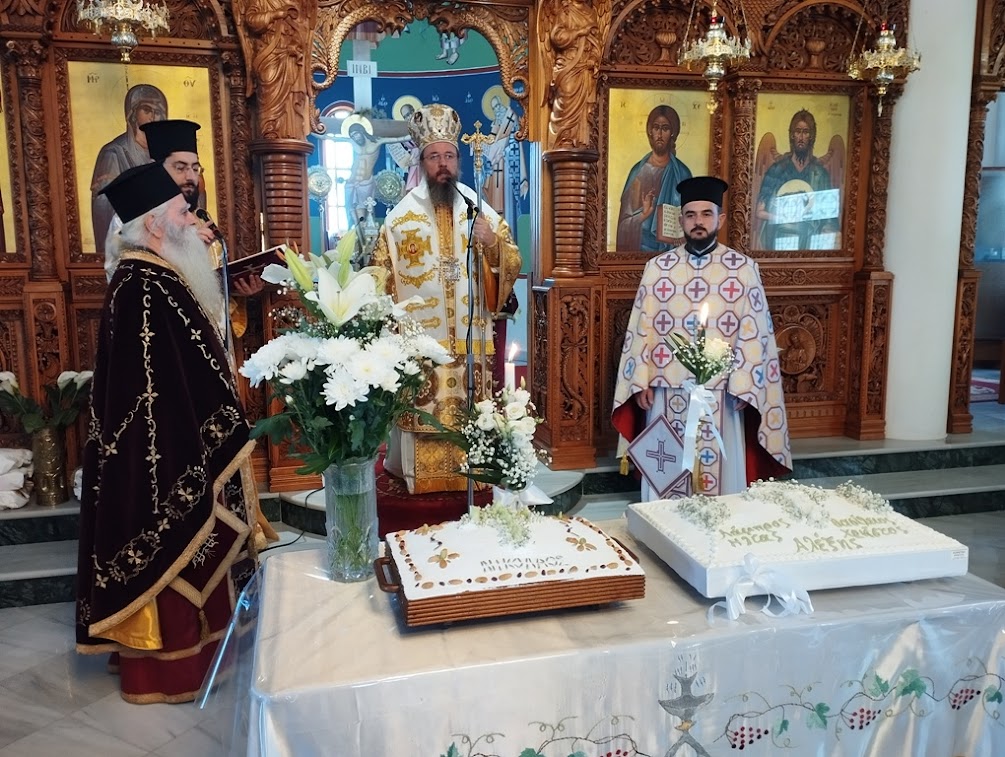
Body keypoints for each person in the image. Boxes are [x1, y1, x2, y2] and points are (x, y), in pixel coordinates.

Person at [75, 162, 273, 704]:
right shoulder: (146, 285)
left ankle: (191, 652)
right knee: (172, 541)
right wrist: (210, 430)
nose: (193, 222)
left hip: (162, 443)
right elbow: (161, 386)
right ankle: (171, 667)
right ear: (155, 224)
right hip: (162, 452)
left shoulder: (147, 278)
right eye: (183, 213)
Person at [373, 103, 522, 495]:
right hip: (420, 345)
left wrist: (493, 245)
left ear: (458, 161)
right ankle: (417, 475)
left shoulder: (479, 209)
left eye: (449, 156)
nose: (443, 164)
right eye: (434, 156)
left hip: (471, 342)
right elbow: (379, 279)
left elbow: (511, 260)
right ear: (422, 162)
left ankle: (473, 472)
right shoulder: (399, 219)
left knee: (470, 415)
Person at [613, 176, 792, 502]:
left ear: (720, 219)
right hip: (667, 393)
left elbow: (755, 333)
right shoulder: (658, 269)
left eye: (706, 214)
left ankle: (722, 526)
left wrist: (745, 386)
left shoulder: (743, 270)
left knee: (722, 478)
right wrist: (642, 382)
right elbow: (641, 330)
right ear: (681, 220)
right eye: (691, 215)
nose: (698, 222)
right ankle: (661, 525)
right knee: (665, 476)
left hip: (722, 395)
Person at [105, 119, 263, 335]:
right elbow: (125, 280)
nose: (191, 177)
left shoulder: (199, 216)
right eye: (180, 168)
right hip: (166, 328)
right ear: (157, 169)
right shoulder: (129, 219)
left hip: (209, 331)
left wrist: (235, 289)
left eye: (195, 168)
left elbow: (206, 281)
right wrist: (182, 248)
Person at [90, 84, 168, 255]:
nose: (153, 116)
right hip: (129, 246)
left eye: (158, 111)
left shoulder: (167, 155)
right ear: (132, 113)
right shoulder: (113, 153)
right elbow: (103, 203)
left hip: (164, 245)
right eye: (146, 110)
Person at [755, 109, 838, 250]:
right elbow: (759, 211)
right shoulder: (777, 170)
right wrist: (782, 218)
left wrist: (827, 232)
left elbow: (829, 217)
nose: (801, 137)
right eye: (798, 131)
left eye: (806, 132)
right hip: (779, 240)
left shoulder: (820, 174)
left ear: (811, 137)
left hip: (810, 243)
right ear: (792, 135)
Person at [616, 105, 693, 252]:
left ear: (672, 133)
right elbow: (623, 225)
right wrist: (643, 215)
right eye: (656, 127)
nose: (660, 134)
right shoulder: (637, 174)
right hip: (639, 251)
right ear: (650, 131)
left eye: (665, 128)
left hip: (673, 253)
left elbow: (692, 217)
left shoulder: (682, 174)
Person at [344, 119, 409, 227]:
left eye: (356, 134)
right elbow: (332, 138)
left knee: (364, 212)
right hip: (351, 181)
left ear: (362, 131)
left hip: (365, 182)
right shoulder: (354, 143)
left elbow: (397, 139)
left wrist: (413, 135)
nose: (355, 138)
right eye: (352, 136)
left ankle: (363, 234)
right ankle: (353, 232)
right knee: (350, 212)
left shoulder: (376, 142)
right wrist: (316, 131)